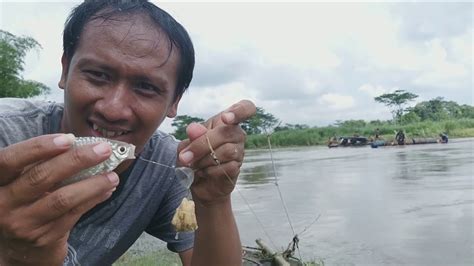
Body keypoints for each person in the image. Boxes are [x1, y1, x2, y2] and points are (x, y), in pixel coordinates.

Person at [0, 1, 256, 265]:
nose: (113, 109)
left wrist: (214, 200)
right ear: (66, 69)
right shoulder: (5, 133)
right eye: (98, 75)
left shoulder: (171, 167)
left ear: (174, 102)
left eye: (145, 87)